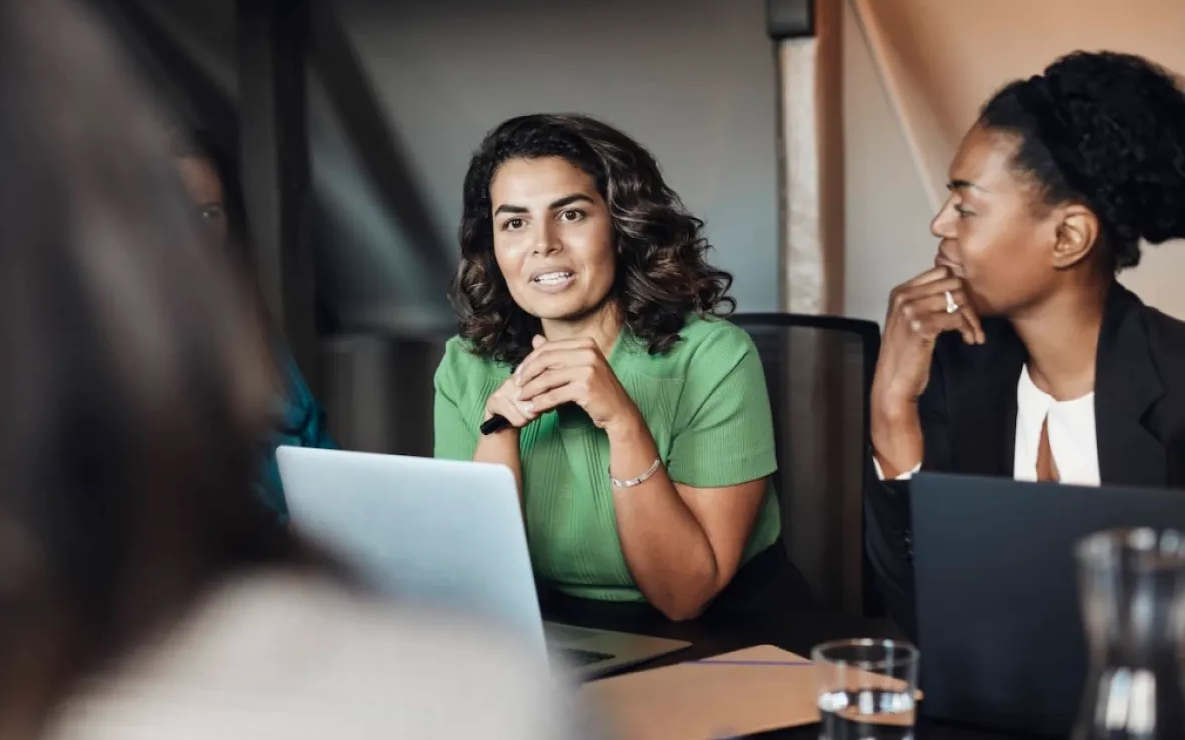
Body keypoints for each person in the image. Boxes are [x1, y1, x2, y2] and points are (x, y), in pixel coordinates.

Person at [0, 0, 584, 739]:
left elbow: (326, 495)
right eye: (514, 222)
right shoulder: (486, 695)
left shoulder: (260, 357)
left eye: (208, 216)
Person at [434, 113, 808, 622]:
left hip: (719, 636)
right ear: (493, 246)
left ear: (621, 226)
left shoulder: (715, 357)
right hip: (555, 634)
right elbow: (470, 589)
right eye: (515, 222)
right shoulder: (466, 366)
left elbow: (684, 596)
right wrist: (497, 434)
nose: (543, 243)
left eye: (571, 214)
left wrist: (623, 422)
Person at [866, 50, 1185, 639]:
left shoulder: (1176, 387)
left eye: (966, 207)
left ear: (1068, 237)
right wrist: (891, 413)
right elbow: (923, 626)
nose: (939, 224)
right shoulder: (951, 373)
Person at [172, 129, 337, 519]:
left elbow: (327, 461)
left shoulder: (258, 342)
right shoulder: (113, 354)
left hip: (304, 559)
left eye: (209, 215)